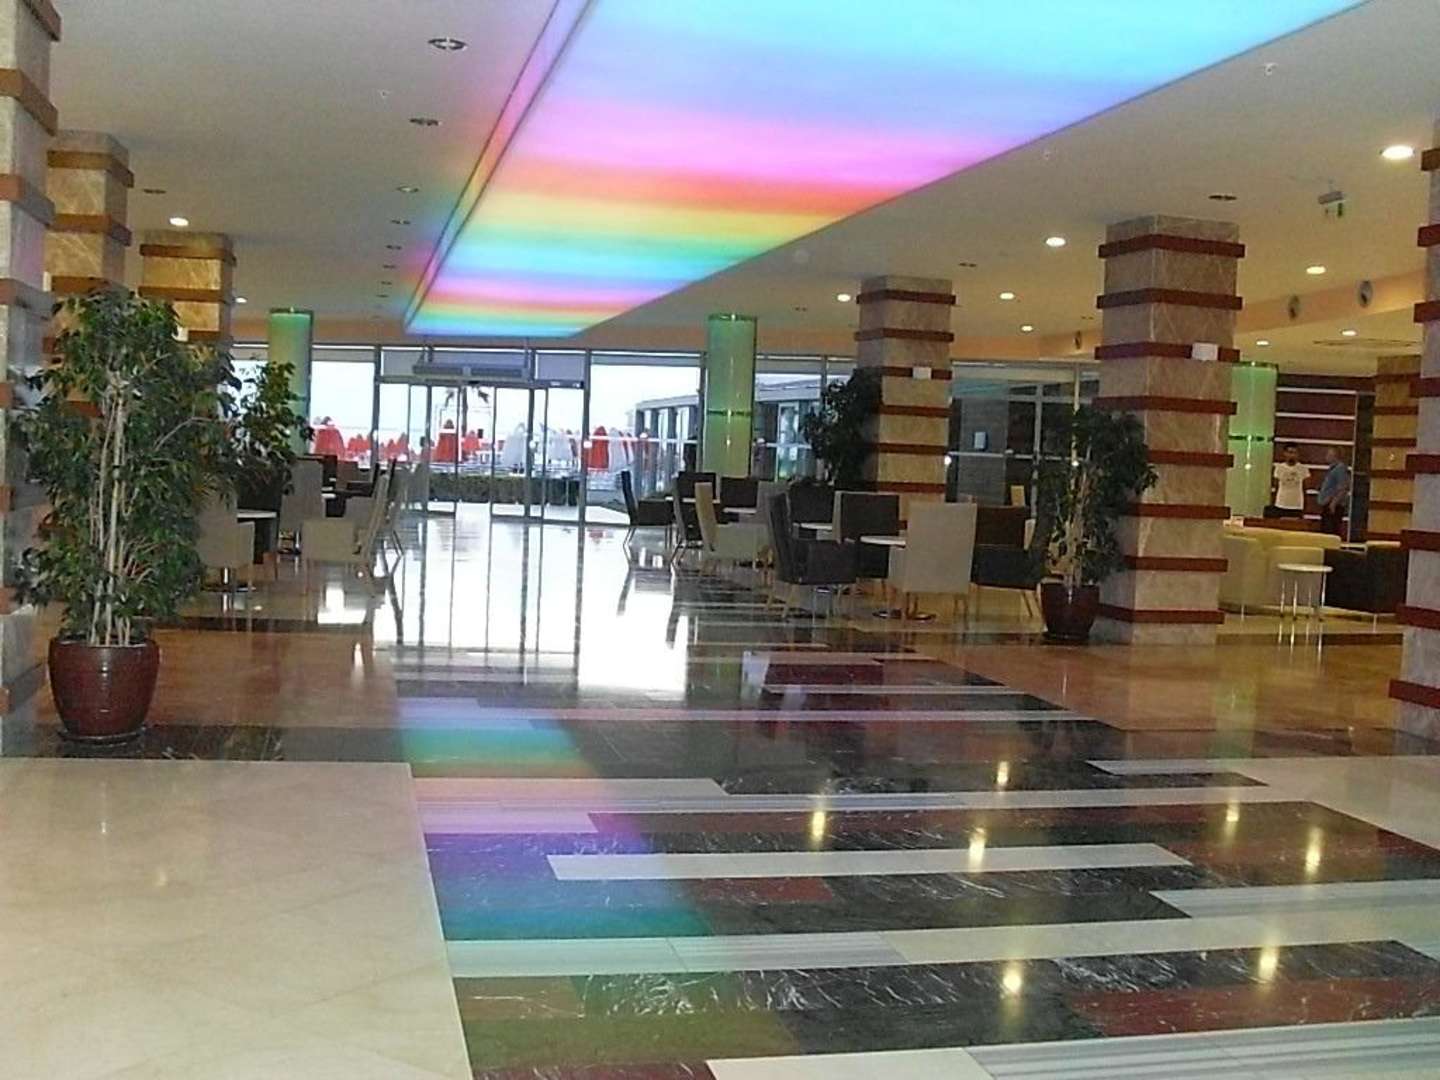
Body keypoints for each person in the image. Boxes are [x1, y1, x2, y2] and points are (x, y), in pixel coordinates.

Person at [1316, 446, 1351, 537]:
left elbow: (1343, 488)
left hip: (1333, 505)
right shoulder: (1333, 469)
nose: (1326, 456)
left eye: (1329, 454)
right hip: (1328, 503)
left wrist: (1333, 503)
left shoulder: (1340, 469)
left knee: (1330, 531)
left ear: (1335, 456)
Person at [1270, 443, 1309, 519]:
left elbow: (1305, 488)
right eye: (1290, 452)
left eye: (1295, 453)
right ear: (1285, 453)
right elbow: (1276, 486)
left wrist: (1304, 506)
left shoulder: (1303, 469)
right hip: (1281, 504)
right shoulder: (1279, 468)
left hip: (1297, 505)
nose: (1292, 455)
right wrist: (1274, 503)